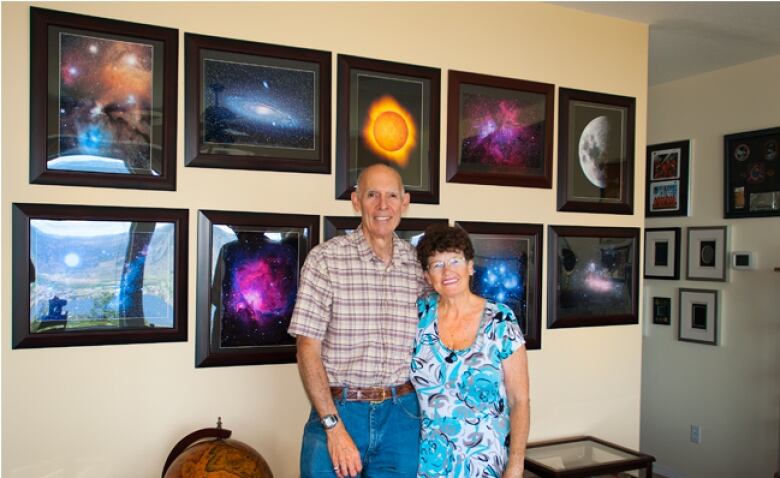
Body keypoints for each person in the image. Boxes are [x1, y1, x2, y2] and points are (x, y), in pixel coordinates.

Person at [289, 163, 426, 478]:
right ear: (356, 201)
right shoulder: (325, 260)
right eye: (372, 195)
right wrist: (333, 428)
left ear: (404, 202)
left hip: (402, 416)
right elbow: (307, 349)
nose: (383, 206)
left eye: (392, 195)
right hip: (340, 410)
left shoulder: (418, 266)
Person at [411, 225, 530, 478]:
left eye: (455, 260)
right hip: (429, 465)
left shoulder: (500, 320)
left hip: (487, 464)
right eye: (436, 264)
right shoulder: (417, 317)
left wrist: (516, 465)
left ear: (470, 266)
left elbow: (519, 401)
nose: (447, 271)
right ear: (426, 275)